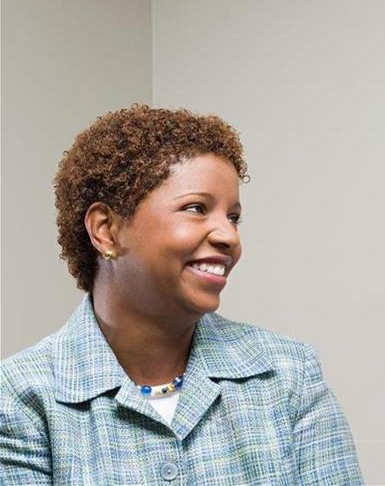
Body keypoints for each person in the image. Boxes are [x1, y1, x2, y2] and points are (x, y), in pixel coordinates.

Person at [0, 105, 363, 484]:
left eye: (233, 217)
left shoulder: (288, 377)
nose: (229, 236)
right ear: (106, 231)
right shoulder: (20, 400)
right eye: (196, 208)